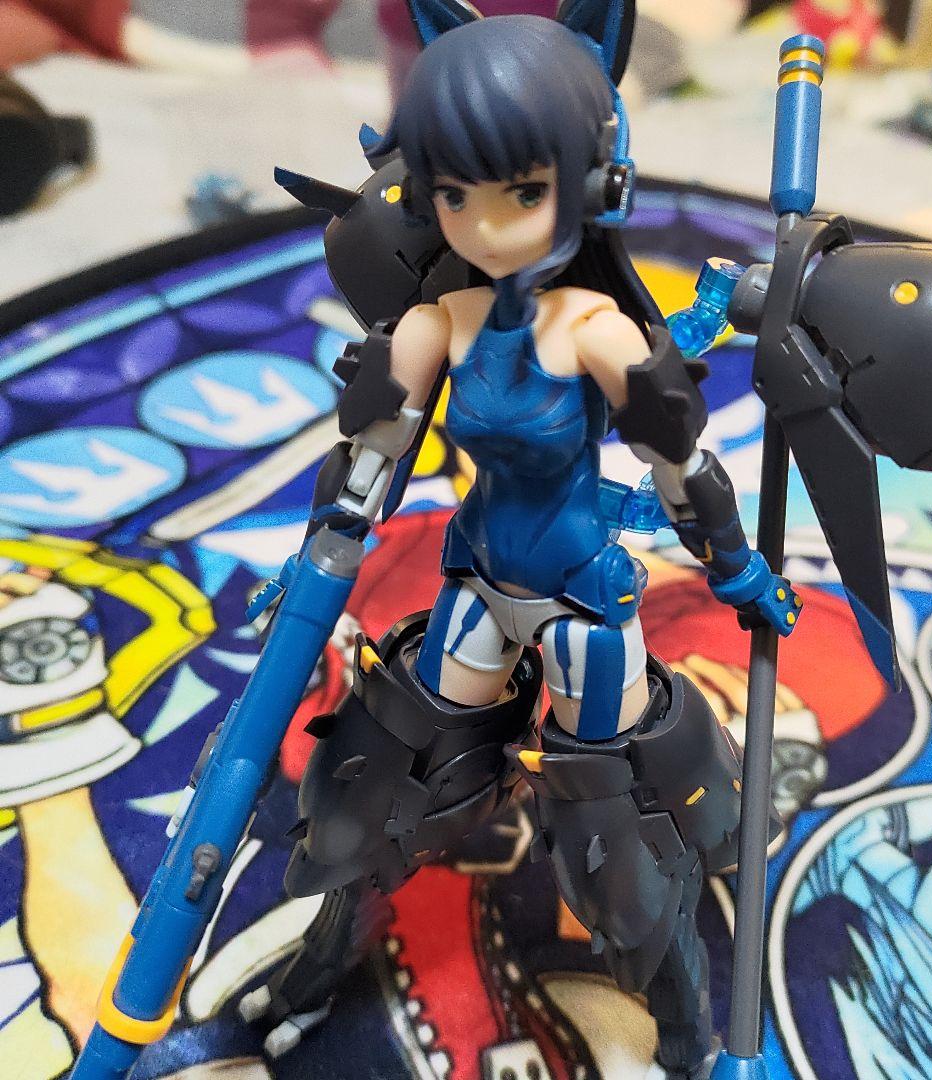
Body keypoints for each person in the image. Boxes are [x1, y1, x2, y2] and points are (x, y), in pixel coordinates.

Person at [240, 5, 801, 1077]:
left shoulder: (597, 331)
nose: (486, 225)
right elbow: (365, 465)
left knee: (610, 833)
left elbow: (681, 464)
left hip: (583, 595)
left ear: (590, 183)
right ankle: (318, 969)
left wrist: (735, 567)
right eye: (456, 194)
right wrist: (313, 563)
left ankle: (684, 1031)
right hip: (479, 580)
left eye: (522, 193)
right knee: (375, 789)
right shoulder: (434, 325)